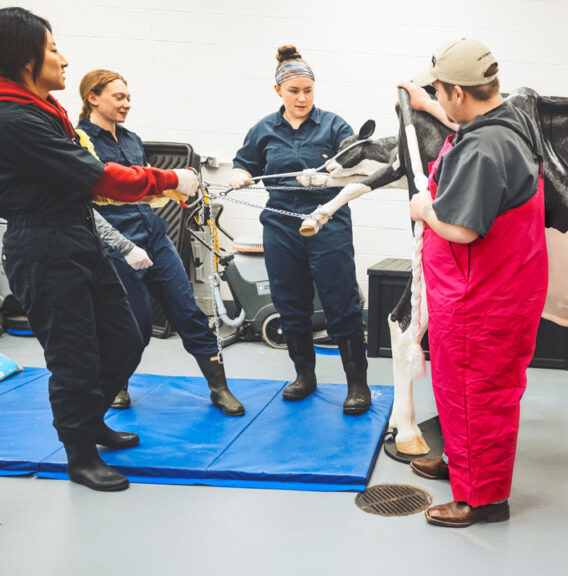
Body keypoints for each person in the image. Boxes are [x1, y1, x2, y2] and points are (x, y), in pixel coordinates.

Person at [0, 7, 199, 492]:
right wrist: (172, 179)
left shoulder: (45, 109)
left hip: (78, 234)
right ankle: (80, 455)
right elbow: (97, 176)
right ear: (27, 59)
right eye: (51, 49)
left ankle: (91, 422)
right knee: (74, 357)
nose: (63, 59)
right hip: (42, 242)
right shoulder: (15, 118)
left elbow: (93, 184)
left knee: (126, 336)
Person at [402, 38, 548, 527]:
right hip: (497, 286)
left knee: (477, 393)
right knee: (456, 385)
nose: (438, 99)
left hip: (481, 297)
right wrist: (425, 105)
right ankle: (461, 464)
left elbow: (462, 228)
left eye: (439, 92)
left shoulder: (484, 149)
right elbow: (470, 129)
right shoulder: (508, 117)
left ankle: (482, 500)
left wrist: (424, 210)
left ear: (460, 94)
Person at [76, 69, 244, 416]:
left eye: (128, 97)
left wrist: (183, 192)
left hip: (153, 233)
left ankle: (218, 387)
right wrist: (121, 244)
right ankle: (118, 383)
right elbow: (94, 197)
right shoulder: (79, 142)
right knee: (131, 324)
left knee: (189, 312)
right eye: (118, 97)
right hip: (116, 241)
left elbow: (143, 188)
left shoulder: (133, 140)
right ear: (93, 97)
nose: (126, 104)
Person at [230, 45, 370, 415]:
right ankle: (304, 376)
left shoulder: (334, 125)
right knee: (290, 304)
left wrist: (344, 160)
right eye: (294, 91)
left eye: (308, 90)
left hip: (327, 224)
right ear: (279, 90)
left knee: (342, 302)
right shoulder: (263, 129)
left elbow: (354, 155)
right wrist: (240, 175)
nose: (302, 97)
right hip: (280, 226)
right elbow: (243, 164)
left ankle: (358, 384)